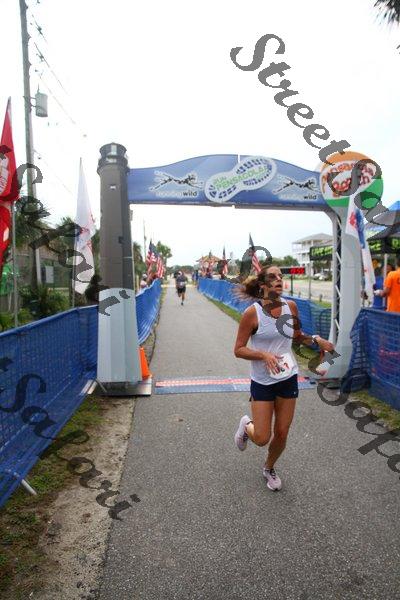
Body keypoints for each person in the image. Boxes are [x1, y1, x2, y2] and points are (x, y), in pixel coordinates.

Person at [233, 265, 334, 491]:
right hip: (262, 381)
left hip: (288, 377)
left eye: (280, 276)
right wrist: (263, 355)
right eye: (273, 277)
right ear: (262, 285)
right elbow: (238, 349)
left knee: (282, 432)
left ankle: (268, 468)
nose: (279, 279)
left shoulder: (291, 307)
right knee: (262, 438)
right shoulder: (252, 313)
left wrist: (317, 340)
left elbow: (297, 336)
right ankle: (246, 426)